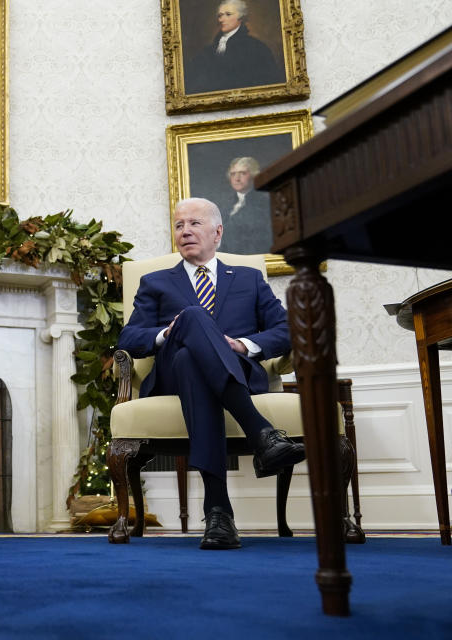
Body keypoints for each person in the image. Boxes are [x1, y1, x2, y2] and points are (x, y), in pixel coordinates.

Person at [116, 198, 304, 550]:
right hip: (169, 375)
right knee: (190, 318)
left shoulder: (248, 279)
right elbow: (129, 338)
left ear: (217, 232)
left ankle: (218, 511)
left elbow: (286, 330)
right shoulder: (155, 282)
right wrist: (165, 334)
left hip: (234, 370)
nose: (184, 231)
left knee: (192, 362)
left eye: (194, 223)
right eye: (178, 225)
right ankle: (260, 431)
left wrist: (243, 346)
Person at [184, 1, 285, 95]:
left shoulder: (256, 47)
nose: (221, 19)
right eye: (220, 15)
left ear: (240, 17)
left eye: (228, 14)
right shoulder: (208, 51)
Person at [217, 156, 272, 255]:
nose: (237, 179)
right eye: (233, 174)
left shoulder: (264, 203)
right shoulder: (225, 206)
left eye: (242, 173)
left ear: (253, 175)